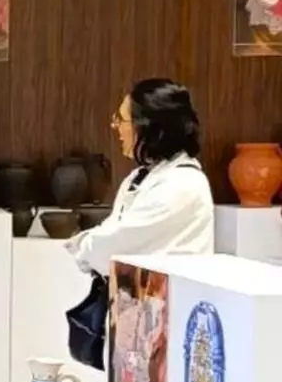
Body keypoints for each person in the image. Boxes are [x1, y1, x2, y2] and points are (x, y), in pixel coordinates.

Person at [69, 78, 215, 277]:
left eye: (121, 119)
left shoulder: (183, 184)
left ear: (147, 127)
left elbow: (119, 242)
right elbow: (112, 232)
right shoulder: (142, 175)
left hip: (174, 302)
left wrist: (83, 245)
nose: (115, 126)